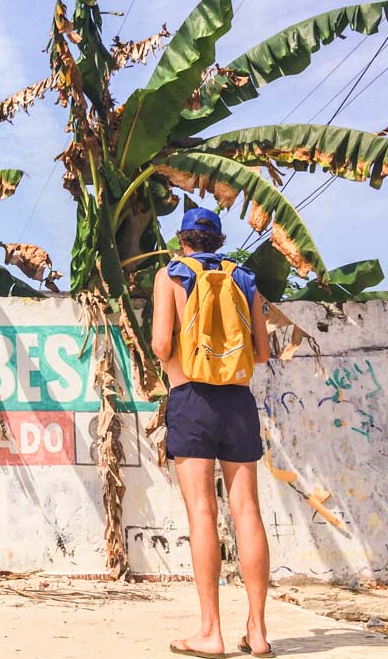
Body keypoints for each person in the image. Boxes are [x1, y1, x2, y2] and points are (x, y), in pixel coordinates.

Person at [151, 208, 273, 659]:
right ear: (219, 240)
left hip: (192, 400)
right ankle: (258, 633)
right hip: (238, 402)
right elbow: (261, 353)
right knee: (247, 510)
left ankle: (210, 632)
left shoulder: (172, 276)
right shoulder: (246, 279)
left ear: (183, 240)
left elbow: (163, 345)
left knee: (202, 512)